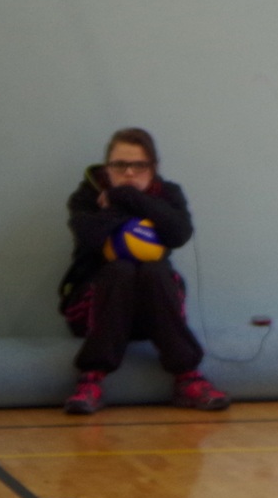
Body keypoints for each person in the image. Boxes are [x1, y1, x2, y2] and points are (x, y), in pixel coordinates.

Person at [57, 128, 229, 415]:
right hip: (94, 309)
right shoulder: (86, 195)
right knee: (121, 270)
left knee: (154, 270)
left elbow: (179, 234)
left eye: (138, 165)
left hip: (154, 310)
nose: (128, 172)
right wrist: (119, 204)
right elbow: (89, 236)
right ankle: (91, 379)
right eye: (119, 165)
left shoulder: (168, 194)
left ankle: (188, 377)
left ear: (153, 167)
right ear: (107, 167)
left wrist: (126, 196)